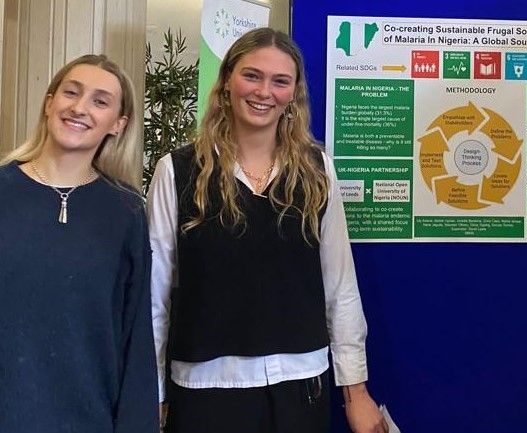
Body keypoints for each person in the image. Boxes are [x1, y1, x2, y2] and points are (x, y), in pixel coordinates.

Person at [148, 27, 387, 433]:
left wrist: (356, 392)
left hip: (299, 386)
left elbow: (340, 286)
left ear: (293, 93)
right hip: (205, 389)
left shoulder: (316, 170)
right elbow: (154, 299)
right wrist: (150, 395)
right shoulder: (177, 171)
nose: (264, 91)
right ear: (226, 81)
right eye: (252, 75)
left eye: (280, 81)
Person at [0, 54, 157, 433]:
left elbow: (134, 336)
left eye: (100, 101)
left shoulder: (126, 211)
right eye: (71, 92)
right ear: (50, 102)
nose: (80, 107)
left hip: (90, 418)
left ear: (118, 125)